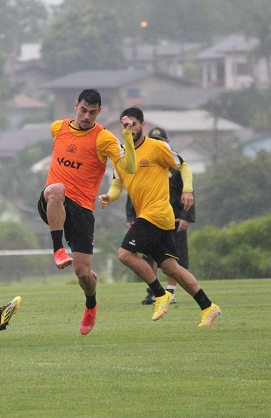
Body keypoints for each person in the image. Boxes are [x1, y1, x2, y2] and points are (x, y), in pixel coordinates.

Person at [99, 107, 221, 327]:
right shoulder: (120, 155)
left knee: (125, 254)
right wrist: (110, 196)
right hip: (151, 217)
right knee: (170, 268)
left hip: (157, 213)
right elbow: (118, 183)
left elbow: (183, 166)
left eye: (133, 124)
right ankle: (208, 307)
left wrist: (188, 190)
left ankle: (159, 293)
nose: (129, 128)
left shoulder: (157, 146)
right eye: (125, 125)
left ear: (142, 125)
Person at [37, 88, 137, 335]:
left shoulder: (104, 138)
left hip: (81, 210)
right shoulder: (57, 128)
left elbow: (130, 167)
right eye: (83, 110)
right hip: (53, 201)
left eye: (92, 113)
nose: (86, 117)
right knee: (56, 190)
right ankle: (58, 249)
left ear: (99, 112)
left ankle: (91, 303)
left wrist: (126, 136)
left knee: (83, 274)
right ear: (76, 106)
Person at [125, 127, 196, 306]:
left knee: (175, 257)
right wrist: (131, 217)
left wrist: (187, 217)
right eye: (154, 140)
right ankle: (154, 291)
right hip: (149, 217)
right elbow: (133, 191)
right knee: (151, 256)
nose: (158, 143)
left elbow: (188, 191)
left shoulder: (175, 163)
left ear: (168, 141)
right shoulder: (143, 159)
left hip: (174, 218)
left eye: (161, 140)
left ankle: (170, 291)